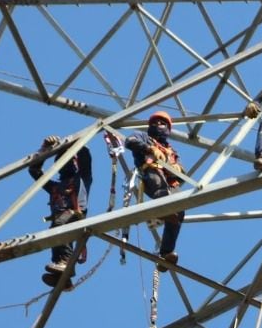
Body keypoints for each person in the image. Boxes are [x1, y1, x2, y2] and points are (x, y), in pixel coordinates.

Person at [106, 111, 185, 272]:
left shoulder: (172, 151)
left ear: (168, 129)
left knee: (180, 211)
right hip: (150, 174)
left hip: (170, 182)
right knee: (159, 185)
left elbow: (182, 175)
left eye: (162, 123)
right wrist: (149, 149)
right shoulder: (143, 136)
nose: (158, 126)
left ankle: (166, 253)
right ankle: (161, 208)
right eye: (155, 123)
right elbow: (130, 142)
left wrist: (177, 170)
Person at [28, 135, 94, 287]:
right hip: (62, 218)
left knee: (58, 225)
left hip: (75, 214)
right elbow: (34, 170)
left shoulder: (83, 178)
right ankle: (62, 275)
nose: (65, 164)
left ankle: (65, 264)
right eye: (61, 161)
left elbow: (85, 156)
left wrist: (69, 144)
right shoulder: (54, 187)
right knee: (56, 233)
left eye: (69, 160)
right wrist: (44, 150)